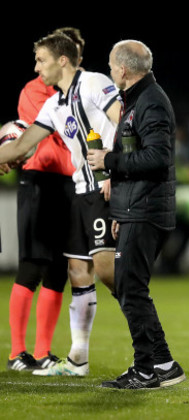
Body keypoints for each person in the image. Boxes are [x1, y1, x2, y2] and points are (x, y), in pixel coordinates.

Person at [0, 31, 120, 377]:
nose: (37, 67)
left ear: (62, 60)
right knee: (73, 270)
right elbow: (23, 144)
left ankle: (151, 351)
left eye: (41, 59)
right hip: (72, 189)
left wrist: (116, 164)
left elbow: (124, 121)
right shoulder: (52, 102)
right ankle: (72, 360)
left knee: (109, 273)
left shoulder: (95, 84)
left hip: (103, 187)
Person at [87, 40, 184, 389]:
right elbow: (140, 156)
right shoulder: (139, 100)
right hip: (136, 209)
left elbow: (158, 158)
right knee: (131, 287)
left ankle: (145, 369)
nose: (112, 72)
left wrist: (107, 161)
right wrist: (121, 210)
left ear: (123, 70)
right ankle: (164, 363)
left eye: (113, 67)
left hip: (147, 209)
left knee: (131, 288)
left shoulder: (151, 102)